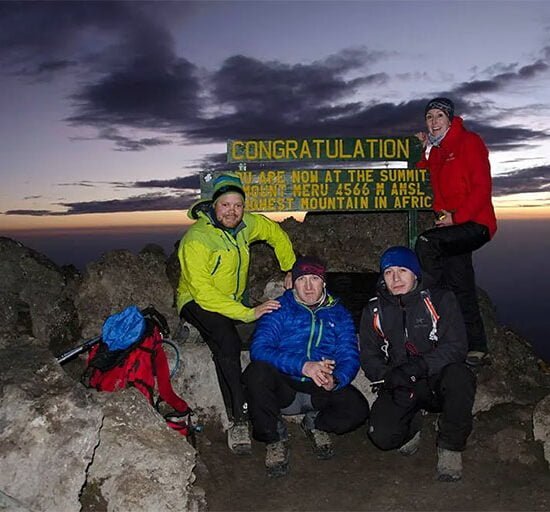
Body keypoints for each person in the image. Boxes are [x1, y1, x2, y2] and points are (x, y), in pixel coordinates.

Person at [177, 173, 296, 454]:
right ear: (213, 206)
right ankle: (239, 418)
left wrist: (290, 266)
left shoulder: (246, 225)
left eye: (238, 205)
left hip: (231, 299)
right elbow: (204, 293)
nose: (232, 211)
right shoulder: (196, 240)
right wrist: (247, 312)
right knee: (226, 340)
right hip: (196, 300)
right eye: (225, 205)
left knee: (267, 326)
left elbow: (274, 232)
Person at [244, 256, 370, 478]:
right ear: (293, 282)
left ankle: (315, 424)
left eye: (315, 278)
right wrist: (302, 366)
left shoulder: (338, 313)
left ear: (323, 282)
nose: (309, 286)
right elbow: (260, 349)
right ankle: (275, 438)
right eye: (303, 279)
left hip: (319, 386)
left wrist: (337, 379)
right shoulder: (279, 308)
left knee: (357, 408)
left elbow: (349, 354)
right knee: (256, 373)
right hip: (286, 386)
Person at [359, 246, 476, 482]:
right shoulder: (374, 309)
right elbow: (368, 354)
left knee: (460, 377)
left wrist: (421, 366)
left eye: (403, 270)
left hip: (435, 377)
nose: (396, 278)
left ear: (415, 274)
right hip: (401, 382)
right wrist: (388, 376)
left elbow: (456, 346)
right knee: (382, 437)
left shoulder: (440, 299)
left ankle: (450, 447)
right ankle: (412, 423)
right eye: (389, 272)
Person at [415, 97, 497, 367]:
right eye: (429, 117)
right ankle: (476, 347)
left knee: (426, 243)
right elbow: (421, 179)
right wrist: (424, 151)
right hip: (452, 227)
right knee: (461, 285)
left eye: (439, 116)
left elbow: (482, 187)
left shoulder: (469, 142)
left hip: (475, 224)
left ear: (450, 119)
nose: (434, 122)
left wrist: (457, 217)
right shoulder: (437, 151)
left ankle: (433, 307)